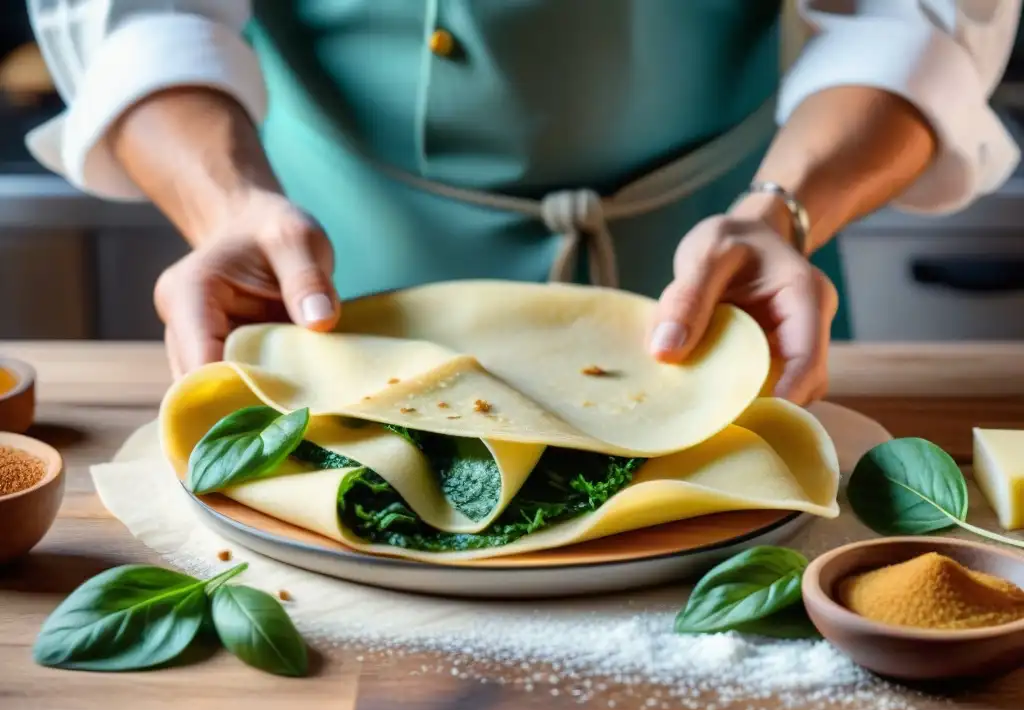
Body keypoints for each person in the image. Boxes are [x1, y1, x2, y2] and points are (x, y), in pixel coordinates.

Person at [26, 0, 1020, 404]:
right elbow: (144, 12)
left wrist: (787, 209)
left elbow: (913, 12)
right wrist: (227, 206)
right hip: (328, 272)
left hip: (728, 269)